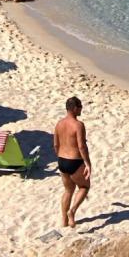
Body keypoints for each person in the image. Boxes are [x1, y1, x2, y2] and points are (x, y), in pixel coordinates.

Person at [53, 96, 91, 228]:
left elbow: (56, 145)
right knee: (84, 187)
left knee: (68, 190)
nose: (81, 110)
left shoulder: (59, 123)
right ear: (75, 108)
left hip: (62, 161)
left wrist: (60, 157)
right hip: (75, 161)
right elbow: (81, 146)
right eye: (80, 107)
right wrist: (87, 163)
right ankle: (72, 212)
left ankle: (64, 221)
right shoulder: (78, 125)